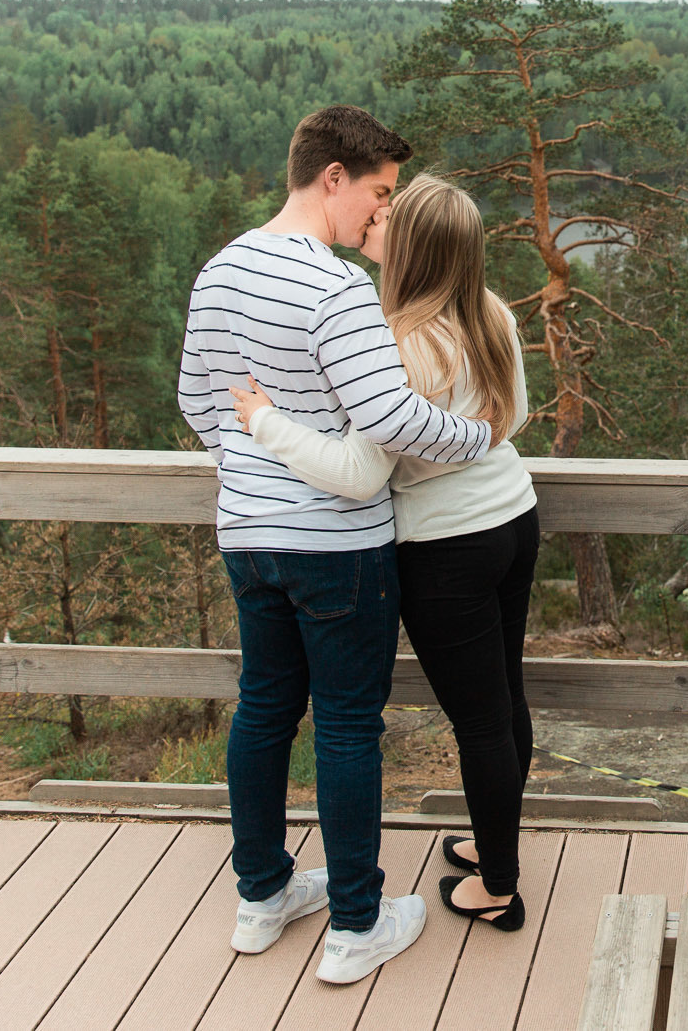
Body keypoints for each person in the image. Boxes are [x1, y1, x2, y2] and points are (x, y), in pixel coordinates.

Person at [177, 107, 495, 986]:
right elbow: (392, 419)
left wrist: (251, 470)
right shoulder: (335, 288)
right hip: (337, 546)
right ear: (332, 177)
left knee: (264, 711)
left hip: (249, 536)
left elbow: (196, 401)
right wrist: (481, 435)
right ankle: (357, 922)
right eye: (380, 192)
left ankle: (261, 898)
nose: (379, 216)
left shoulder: (222, 268)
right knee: (350, 725)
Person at [231, 173, 540, 931]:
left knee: (480, 722)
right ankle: (492, 840)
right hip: (514, 519)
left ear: (413, 249)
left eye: (391, 219)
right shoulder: (491, 314)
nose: (378, 219)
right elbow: (518, 415)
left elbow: (359, 471)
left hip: (444, 550)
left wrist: (265, 422)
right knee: (505, 699)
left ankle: (498, 886)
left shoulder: (397, 342)